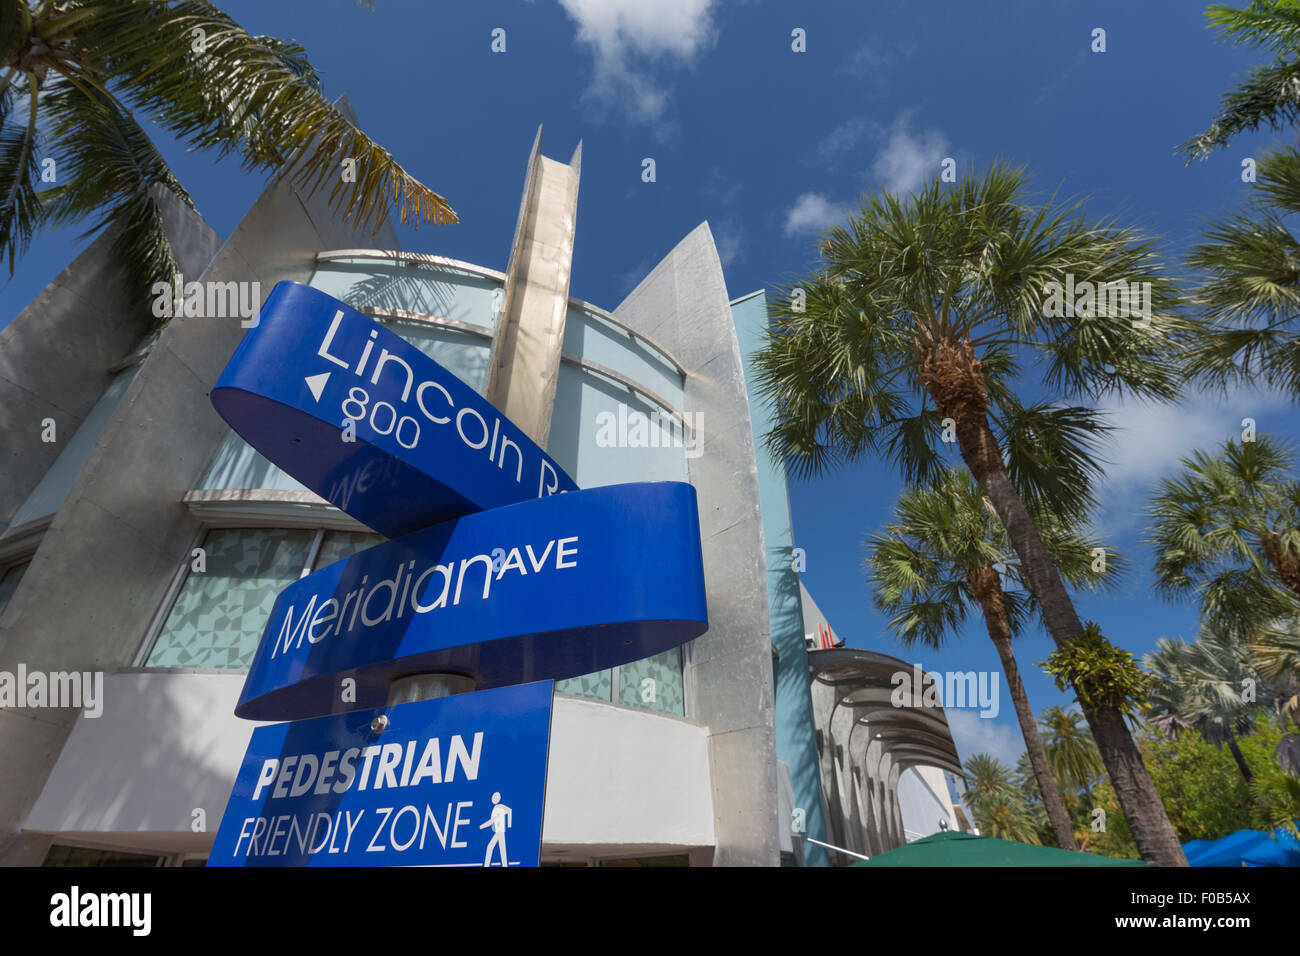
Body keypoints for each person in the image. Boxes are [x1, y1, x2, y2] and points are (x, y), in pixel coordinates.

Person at [479, 791, 512, 867]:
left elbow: (509, 810)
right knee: (492, 848)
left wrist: (509, 825)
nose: (493, 799)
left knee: (496, 849)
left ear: (499, 798)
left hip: (500, 832)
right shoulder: (495, 808)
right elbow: (492, 821)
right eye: (493, 797)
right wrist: (481, 826)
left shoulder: (499, 807)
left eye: (495, 797)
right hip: (497, 832)